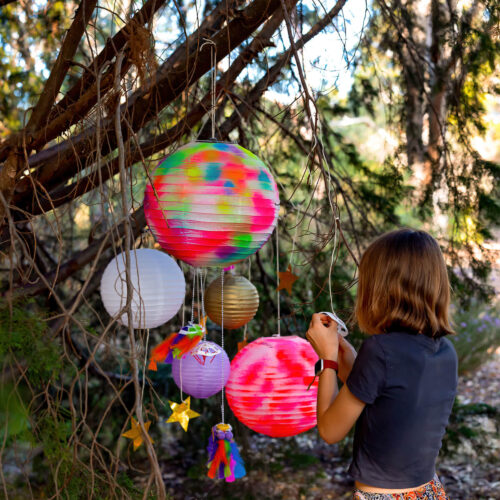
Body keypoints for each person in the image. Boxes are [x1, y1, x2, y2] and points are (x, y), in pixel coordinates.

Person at [306, 229, 458, 500]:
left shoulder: (380, 350)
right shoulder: (445, 351)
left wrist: (327, 359)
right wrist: (349, 359)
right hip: (430, 491)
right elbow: (390, 402)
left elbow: (330, 431)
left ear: (380, 289)